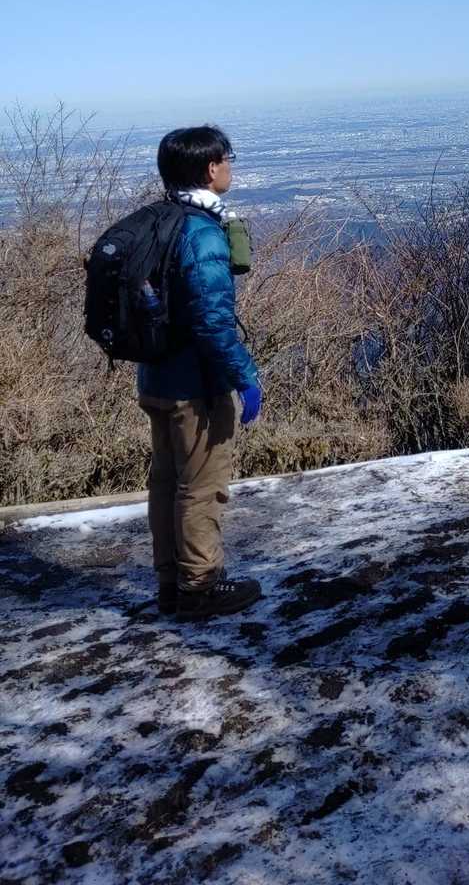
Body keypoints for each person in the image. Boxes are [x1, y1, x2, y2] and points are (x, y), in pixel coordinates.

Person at [138, 125, 263, 622]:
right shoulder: (202, 232)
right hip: (196, 387)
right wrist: (244, 376)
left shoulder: (158, 221)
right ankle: (200, 588)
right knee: (201, 486)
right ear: (211, 168)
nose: (230, 167)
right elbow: (213, 321)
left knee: (167, 483)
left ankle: (171, 585)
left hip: (156, 379)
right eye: (227, 160)